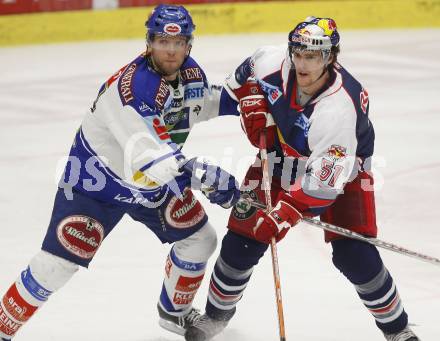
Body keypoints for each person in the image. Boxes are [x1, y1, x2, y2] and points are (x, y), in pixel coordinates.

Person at [0, 5, 241, 340]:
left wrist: (244, 102)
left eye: (178, 42)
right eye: (162, 41)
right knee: (55, 267)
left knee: (200, 240)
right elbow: (152, 157)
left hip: (149, 188)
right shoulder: (133, 89)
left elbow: (202, 103)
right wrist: (205, 176)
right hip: (96, 185)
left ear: (189, 44)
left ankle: (175, 315)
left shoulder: (189, 74)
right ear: (149, 42)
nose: (170, 50)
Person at [184, 17, 420, 341]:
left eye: (313, 56)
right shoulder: (270, 61)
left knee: (355, 255)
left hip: (344, 172)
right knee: (241, 241)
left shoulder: (339, 110)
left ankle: (398, 330)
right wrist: (250, 102)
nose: (302, 63)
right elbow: (239, 83)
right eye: (298, 53)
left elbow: (323, 188)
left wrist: (284, 214)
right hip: (281, 156)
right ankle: (214, 318)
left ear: (330, 58)